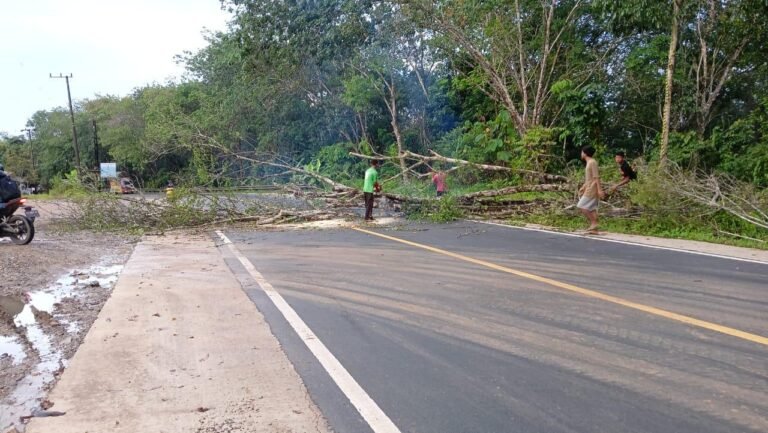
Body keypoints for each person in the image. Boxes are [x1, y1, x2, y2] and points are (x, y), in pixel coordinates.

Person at [577, 146, 605, 233]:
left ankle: (594, 223)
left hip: (592, 188)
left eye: (582, 152)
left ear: (585, 153)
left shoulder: (592, 162)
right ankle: (594, 230)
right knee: (591, 208)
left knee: (581, 206)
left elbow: (596, 177)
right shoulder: (589, 162)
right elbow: (589, 178)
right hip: (589, 187)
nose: (581, 153)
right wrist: (583, 187)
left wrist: (599, 190)